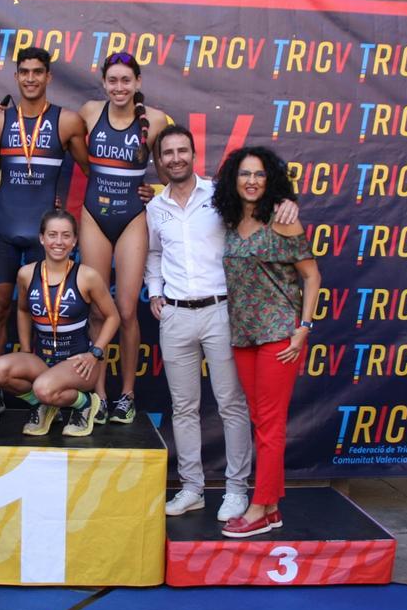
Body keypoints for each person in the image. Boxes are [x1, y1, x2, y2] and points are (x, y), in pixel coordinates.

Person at [146, 126, 299, 523]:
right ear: (159, 160)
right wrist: (154, 290)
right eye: (168, 153)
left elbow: (260, 202)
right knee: (184, 407)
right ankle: (192, 489)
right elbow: (154, 252)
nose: (176, 158)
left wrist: (288, 203)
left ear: (194, 154)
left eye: (183, 150)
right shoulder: (155, 206)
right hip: (176, 315)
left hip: (223, 312)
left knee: (232, 405)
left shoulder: (220, 195)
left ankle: (236, 490)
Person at [211, 146, 320, 538]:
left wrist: (303, 327)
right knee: (261, 423)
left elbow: (312, 276)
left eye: (259, 174)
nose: (252, 181)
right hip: (243, 336)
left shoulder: (283, 221)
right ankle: (272, 506)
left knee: (270, 425)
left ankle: (257, 509)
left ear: (269, 179)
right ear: (233, 181)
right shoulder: (228, 222)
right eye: (244, 174)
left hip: (280, 336)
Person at [0, 47, 90, 422]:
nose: (30, 78)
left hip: (47, 241)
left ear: (48, 77)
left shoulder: (67, 122)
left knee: (51, 314)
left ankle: (53, 391)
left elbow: (95, 171)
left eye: (37, 72)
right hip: (5, 233)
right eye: (24, 72)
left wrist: (135, 189)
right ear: (16, 77)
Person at [77, 51, 168, 425]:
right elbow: (70, 147)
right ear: (103, 83)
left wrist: (155, 189)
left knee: (127, 311)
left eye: (125, 81)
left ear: (138, 83)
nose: (119, 87)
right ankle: (98, 395)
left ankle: (126, 394)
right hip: (94, 215)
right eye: (112, 81)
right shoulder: (88, 112)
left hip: (132, 216)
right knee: (98, 309)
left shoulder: (156, 120)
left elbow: (173, 168)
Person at [0, 210, 120, 437]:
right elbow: (21, 309)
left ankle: (85, 404)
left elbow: (113, 317)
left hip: (78, 364)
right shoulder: (26, 274)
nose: (59, 242)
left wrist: (95, 353)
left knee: (42, 388)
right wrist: (27, 350)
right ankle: (44, 404)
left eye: (66, 235)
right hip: (43, 360)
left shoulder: (87, 276)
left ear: (75, 240)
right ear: (41, 238)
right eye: (52, 235)